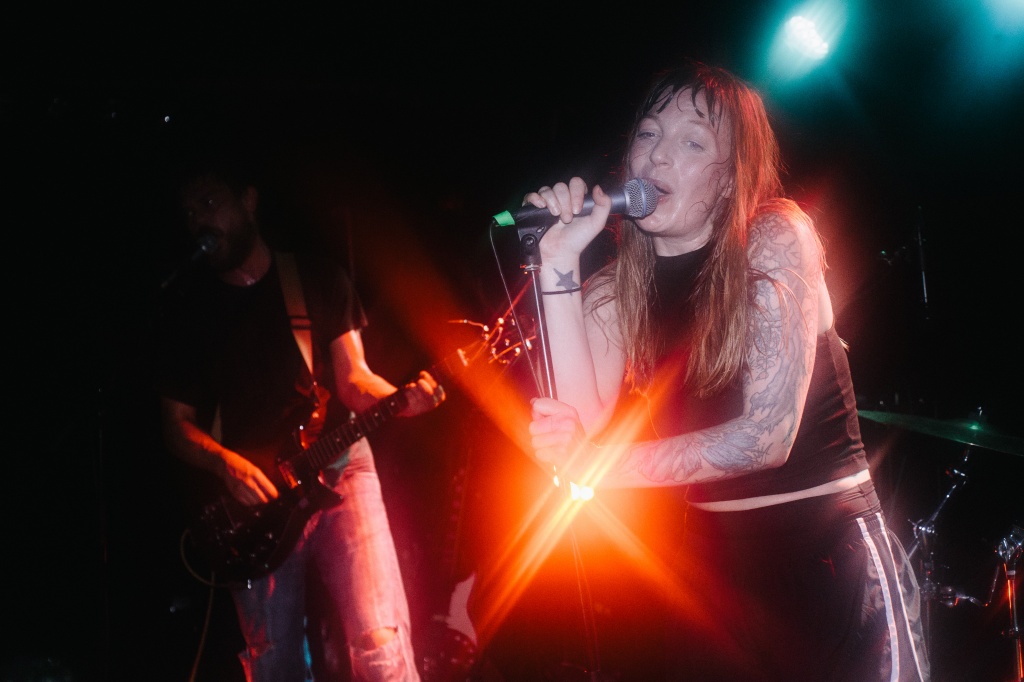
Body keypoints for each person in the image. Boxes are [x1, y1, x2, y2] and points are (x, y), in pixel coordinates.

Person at [524, 59, 930, 681]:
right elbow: (575, 426)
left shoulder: (774, 237)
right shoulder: (614, 290)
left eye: (693, 142)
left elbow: (765, 437)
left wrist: (598, 467)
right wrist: (557, 261)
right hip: (715, 578)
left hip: (828, 559)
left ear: (728, 178)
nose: (658, 155)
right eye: (648, 133)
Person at [155, 152, 440, 682]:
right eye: (190, 213)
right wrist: (223, 465)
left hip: (342, 469)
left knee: (381, 643)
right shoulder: (188, 314)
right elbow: (175, 426)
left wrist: (402, 399)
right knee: (274, 663)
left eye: (211, 202)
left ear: (249, 201)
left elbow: (354, 380)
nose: (200, 222)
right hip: (255, 506)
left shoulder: (314, 278)